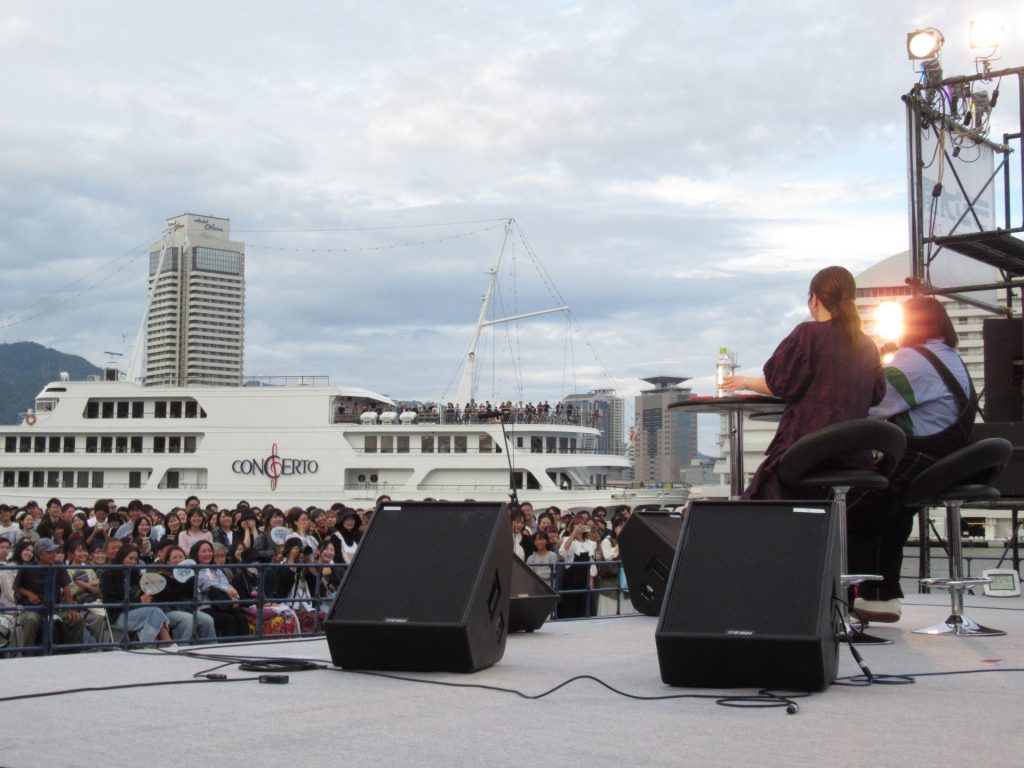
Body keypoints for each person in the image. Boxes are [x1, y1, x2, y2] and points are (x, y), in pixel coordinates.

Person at [848, 297, 977, 623]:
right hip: (949, 459)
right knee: (892, 515)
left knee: (850, 511)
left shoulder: (914, 360)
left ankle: (836, 599)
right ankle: (881, 597)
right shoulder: (949, 357)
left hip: (922, 456)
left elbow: (872, 402)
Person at [722, 265, 885, 499]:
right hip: (854, 455)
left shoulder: (808, 334)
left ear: (814, 299)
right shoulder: (867, 345)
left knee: (759, 505)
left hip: (809, 451)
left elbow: (778, 384)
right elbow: (877, 395)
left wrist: (745, 382)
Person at [100, 544, 175, 647]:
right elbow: (111, 602)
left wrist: (147, 598)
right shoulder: (109, 576)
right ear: (121, 558)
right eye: (130, 558)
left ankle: (159, 645)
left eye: (136, 559)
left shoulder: (136, 575)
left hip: (136, 611)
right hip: (118, 615)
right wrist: (138, 602)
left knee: (155, 612)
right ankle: (164, 644)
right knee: (155, 611)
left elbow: (142, 595)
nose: (133, 562)